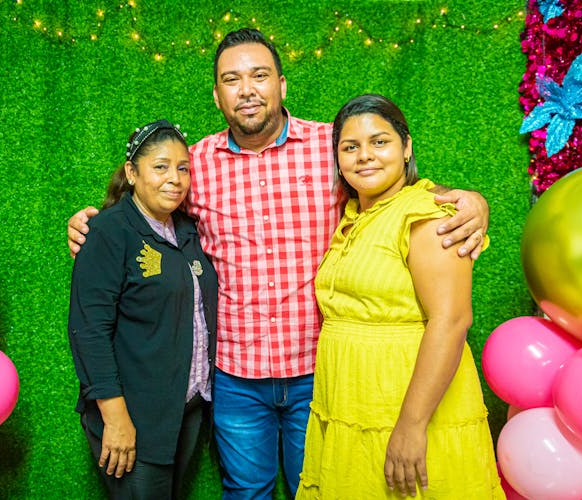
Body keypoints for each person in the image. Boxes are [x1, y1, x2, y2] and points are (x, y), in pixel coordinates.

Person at [67, 29, 490, 499]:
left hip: (321, 372)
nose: (247, 89)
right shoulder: (197, 164)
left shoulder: (334, 147)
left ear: (282, 85)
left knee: (329, 489)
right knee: (247, 493)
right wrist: (93, 223)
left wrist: (468, 202)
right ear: (217, 95)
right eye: (232, 79)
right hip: (236, 376)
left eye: (260, 75)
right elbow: (147, 208)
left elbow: (391, 187)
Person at [296, 94, 503, 499]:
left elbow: (452, 319)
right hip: (354, 406)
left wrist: (411, 425)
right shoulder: (354, 216)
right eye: (350, 147)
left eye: (380, 142)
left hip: (409, 410)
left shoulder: (427, 215)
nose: (364, 156)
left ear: (406, 147)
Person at [67, 119, 218, 499]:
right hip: (132, 415)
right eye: (161, 166)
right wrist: (115, 418)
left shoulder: (186, 231)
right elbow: (89, 330)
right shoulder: (108, 232)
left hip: (182, 411)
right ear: (132, 173)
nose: (175, 178)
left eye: (183, 168)